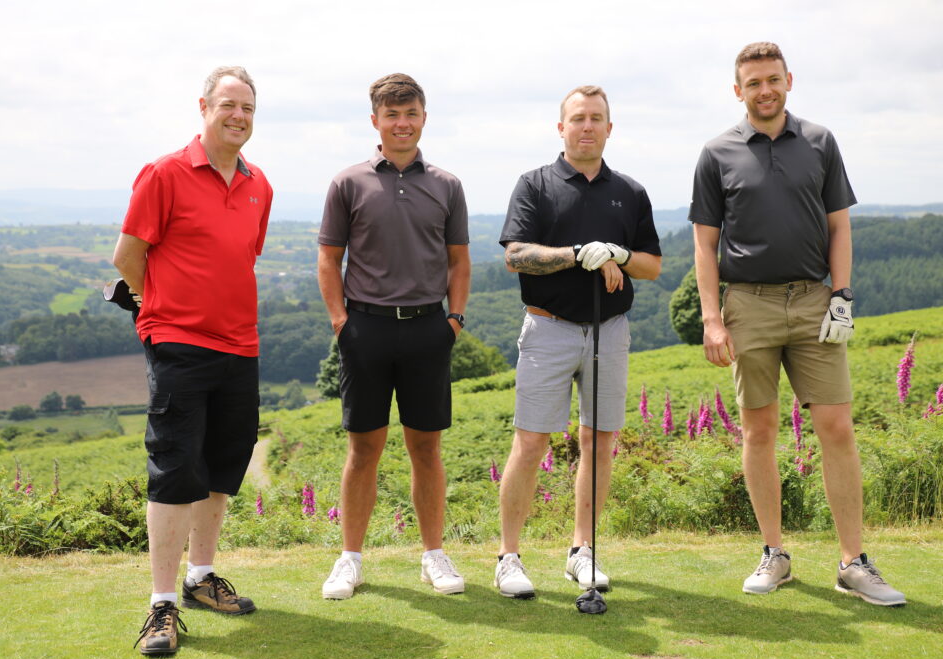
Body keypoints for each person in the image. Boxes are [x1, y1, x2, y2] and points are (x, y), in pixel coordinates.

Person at [690, 42, 905, 606]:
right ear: (738, 91)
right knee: (759, 431)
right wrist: (711, 318)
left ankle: (853, 563)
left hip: (814, 301)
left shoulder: (820, 141)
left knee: (836, 427)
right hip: (748, 306)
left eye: (773, 79)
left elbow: (839, 227)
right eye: (753, 82)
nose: (765, 90)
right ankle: (774, 554)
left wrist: (842, 296)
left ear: (789, 80)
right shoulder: (716, 153)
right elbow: (705, 244)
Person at [113, 66, 272, 655]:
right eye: (228, 105)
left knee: (221, 465)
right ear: (203, 106)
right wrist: (160, 314)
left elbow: (240, 258)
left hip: (240, 346)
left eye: (248, 108)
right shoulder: (164, 173)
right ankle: (161, 607)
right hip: (179, 344)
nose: (238, 116)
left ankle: (201, 578)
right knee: (176, 469)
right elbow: (128, 256)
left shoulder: (259, 183)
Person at [495, 86, 662, 598]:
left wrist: (616, 252)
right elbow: (516, 255)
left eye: (596, 119)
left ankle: (581, 551)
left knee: (599, 441)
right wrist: (578, 253)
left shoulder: (629, 192)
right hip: (548, 329)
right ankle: (509, 557)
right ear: (561, 127)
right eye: (577, 119)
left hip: (608, 331)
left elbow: (651, 266)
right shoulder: (536, 184)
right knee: (531, 442)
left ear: (609, 128)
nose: (587, 127)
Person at [317, 73, 471, 600]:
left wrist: (454, 320)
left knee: (426, 448)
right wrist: (341, 321)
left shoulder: (447, 184)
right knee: (364, 449)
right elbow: (329, 257)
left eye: (410, 114)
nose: (401, 124)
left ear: (424, 118)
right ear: (375, 121)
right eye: (392, 115)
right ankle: (350, 559)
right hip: (366, 329)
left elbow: (458, 260)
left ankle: (433, 556)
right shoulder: (348, 182)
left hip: (429, 328)